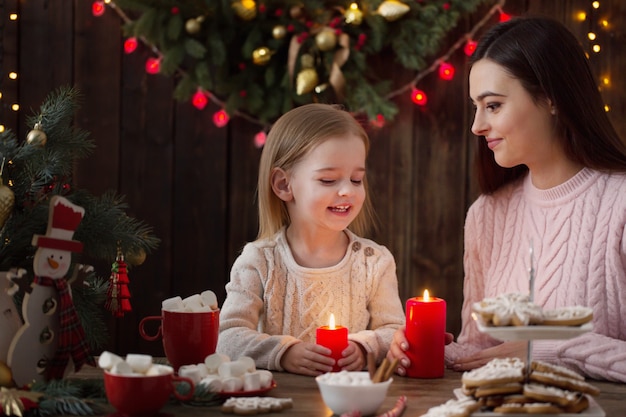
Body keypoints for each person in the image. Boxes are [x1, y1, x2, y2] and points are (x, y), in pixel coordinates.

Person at [388, 16, 626, 382]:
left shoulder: (620, 206)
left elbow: (530, 353)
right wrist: (422, 349)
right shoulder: (487, 215)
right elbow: (481, 350)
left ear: (550, 98)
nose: (476, 126)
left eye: (494, 105)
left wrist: (549, 348)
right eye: (475, 107)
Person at [217, 103, 405, 376]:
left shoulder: (374, 262)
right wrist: (284, 353)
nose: (347, 192)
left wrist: (364, 348)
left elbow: (394, 332)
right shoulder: (259, 261)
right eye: (328, 180)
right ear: (284, 185)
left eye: (356, 179)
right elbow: (227, 338)